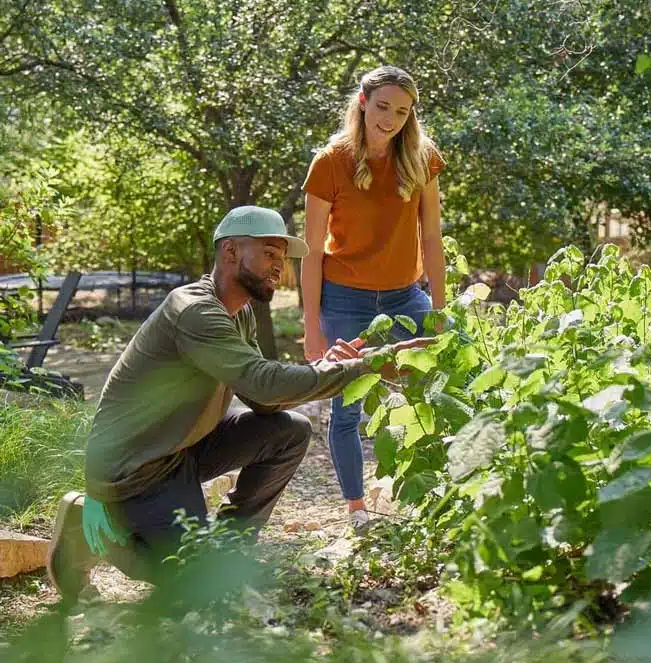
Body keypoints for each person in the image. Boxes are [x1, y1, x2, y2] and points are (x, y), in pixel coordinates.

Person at [47, 205, 432, 605]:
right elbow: (265, 384)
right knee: (198, 585)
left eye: (281, 258)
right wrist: (369, 366)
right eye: (268, 253)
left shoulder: (239, 312)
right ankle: (85, 528)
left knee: (290, 431)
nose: (278, 267)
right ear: (230, 251)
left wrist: (327, 368)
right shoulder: (193, 310)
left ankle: (227, 551)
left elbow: (264, 400)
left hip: (182, 446)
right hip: (137, 467)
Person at [301, 65, 446, 529]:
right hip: (344, 300)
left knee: (444, 380)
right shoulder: (330, 162)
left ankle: (435, 494)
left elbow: (432, 239)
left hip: (406, 297)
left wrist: (440, 310)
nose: (390, 119)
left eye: (402, 112)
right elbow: (310, 253)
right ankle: (357, 509)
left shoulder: (422, 159)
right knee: (346, 408)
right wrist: (311, 328)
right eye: (383, 107)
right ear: (363, 103)